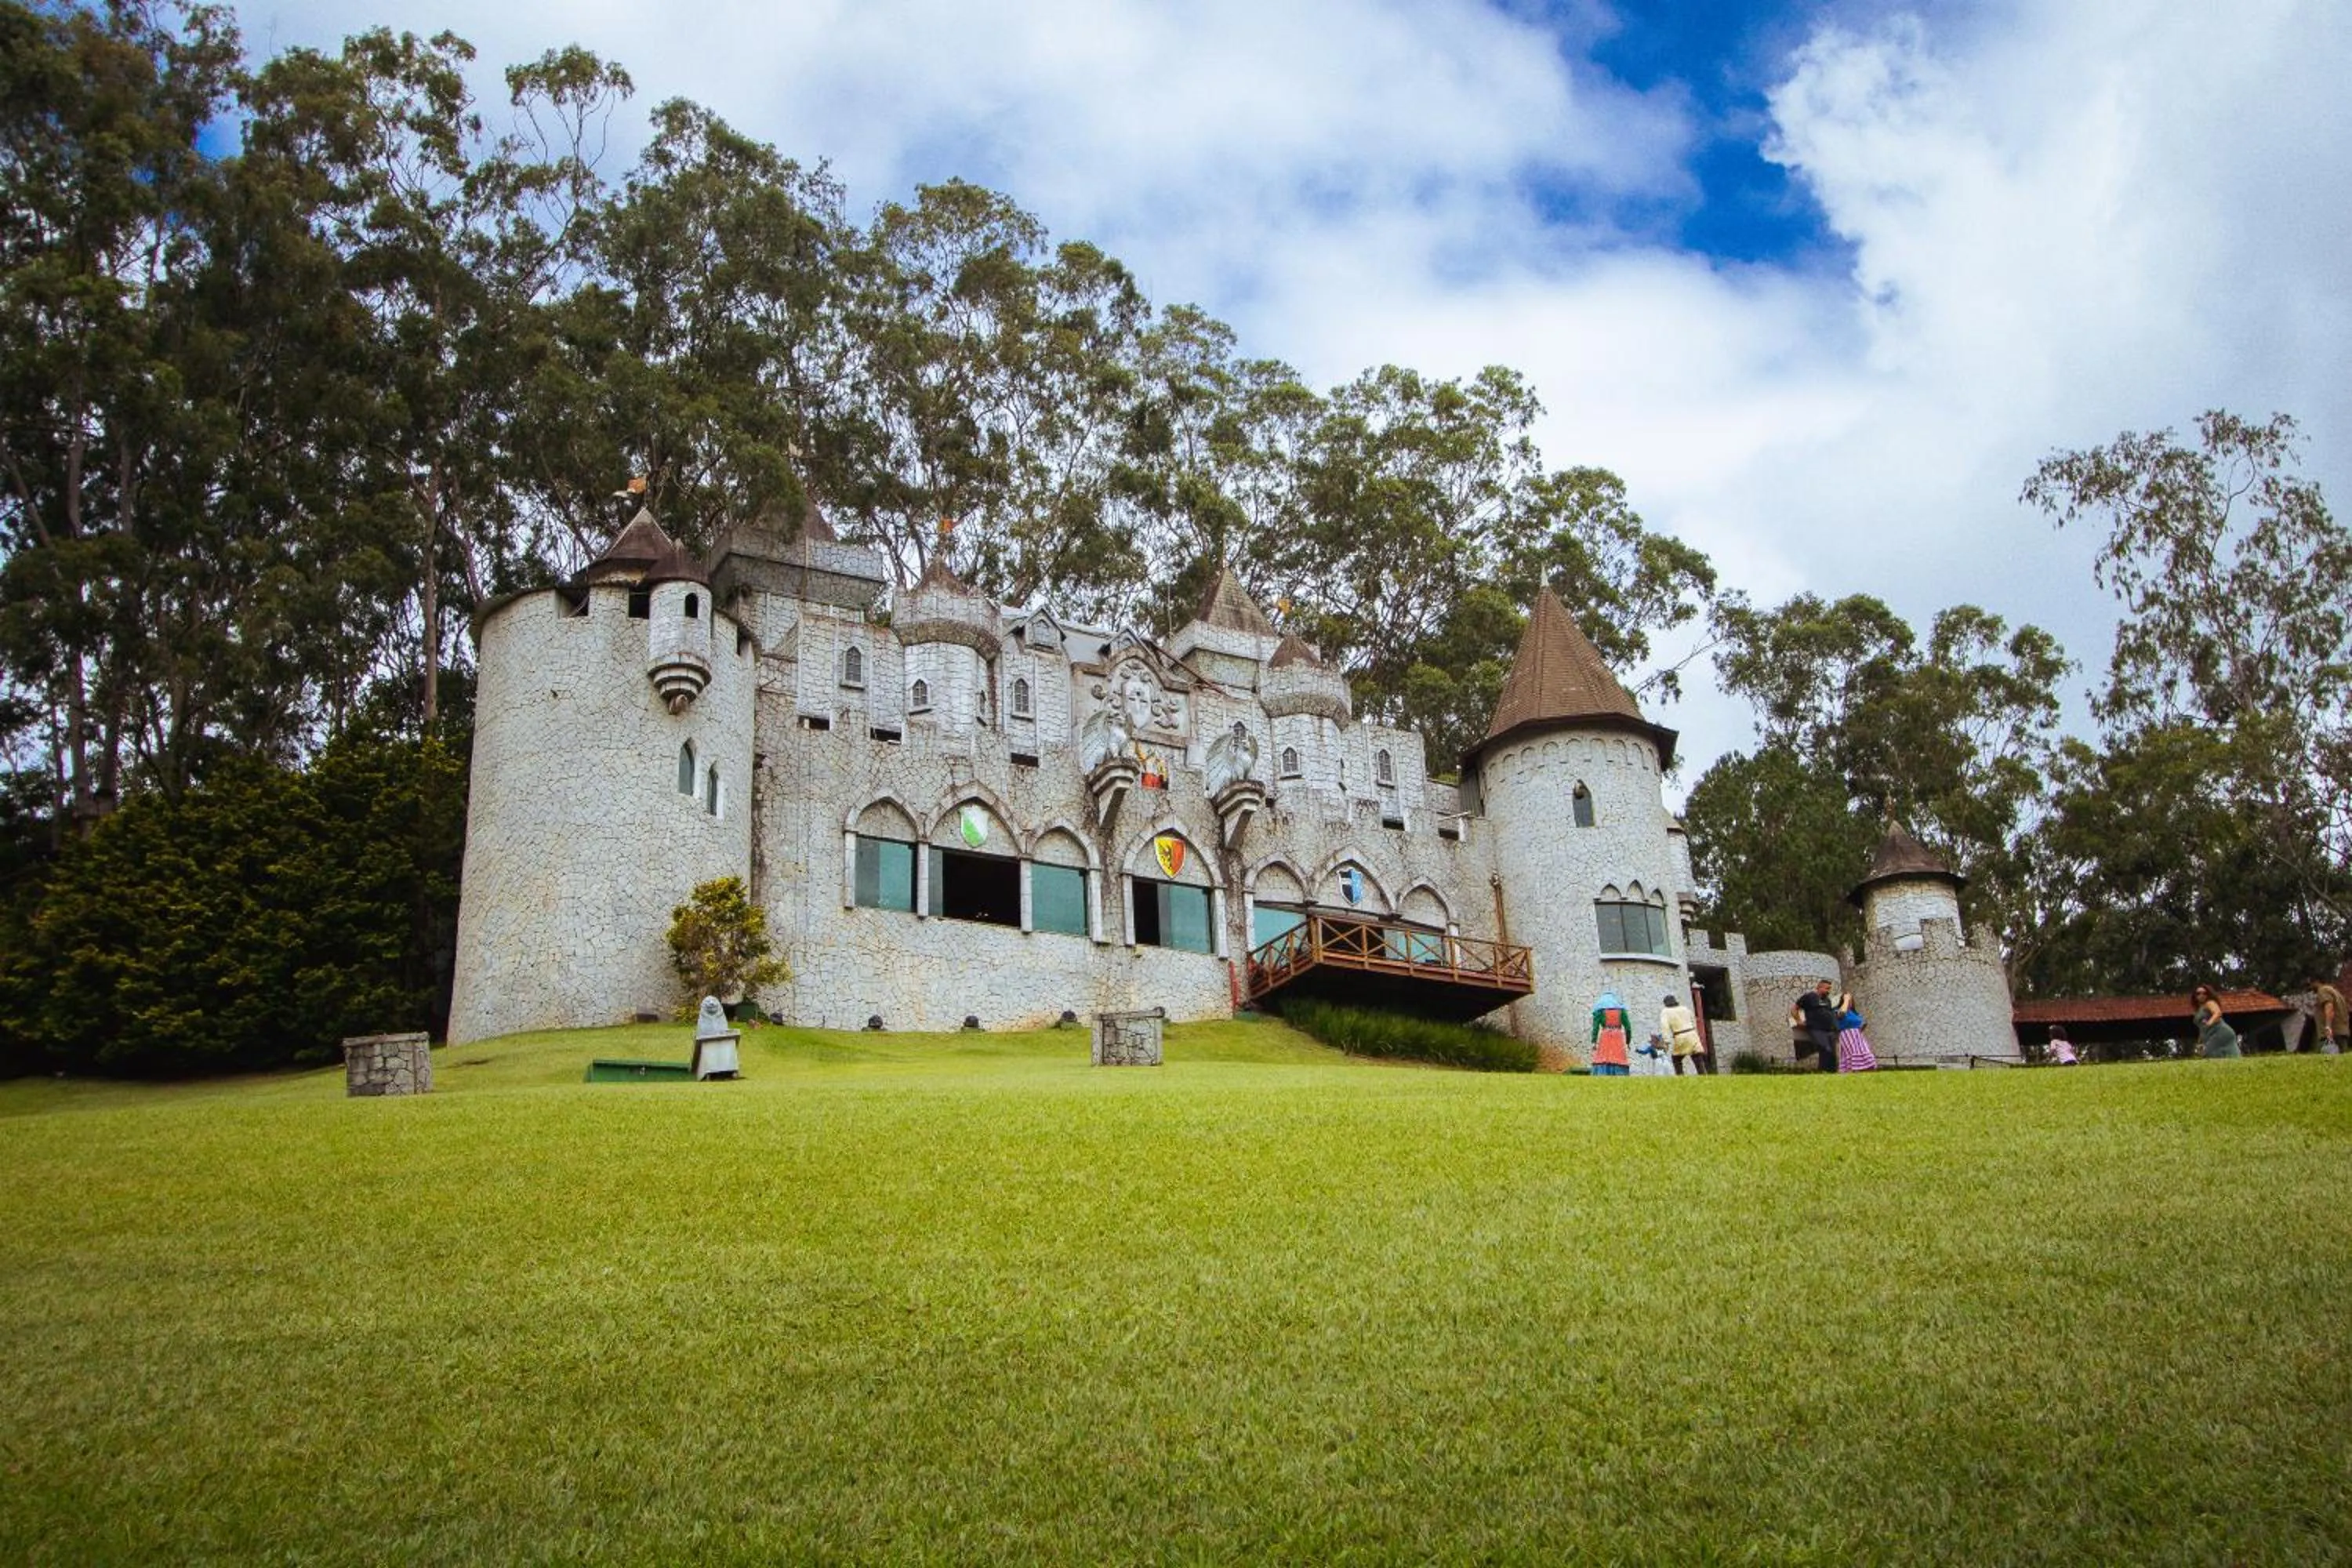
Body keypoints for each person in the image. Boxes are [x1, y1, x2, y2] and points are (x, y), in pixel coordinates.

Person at [1791, 978, 1840, 1073]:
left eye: (1830, 989)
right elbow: (1794, 1008)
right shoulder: (1810, 997)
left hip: (1830, 1030)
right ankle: (1824, 1072)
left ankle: (1832, 1073)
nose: (1829, 991)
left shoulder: (1827, 1000)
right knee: (1825, 1049)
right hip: (1816, 1029)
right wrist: (1798, 1021)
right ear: (1819, 988)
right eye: (1827, 988)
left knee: (1833, 1054)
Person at [1661, 993, 1705, 1076]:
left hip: (1680, 1037)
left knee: (1676, 1059)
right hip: (1692, 1035)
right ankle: (1704, 1078)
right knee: (1697, 1058)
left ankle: (1680, 1077)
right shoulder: (1685, 1009)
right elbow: (1693, 1021)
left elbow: (1665, 1028)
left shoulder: (1665, 1012)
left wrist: (1666, 1042)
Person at [1589, 990, 1632, 1076]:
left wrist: (1594, 1042)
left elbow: (1596, 1028)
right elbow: (1628, 1028)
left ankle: (1602, 1074)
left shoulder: (1599, 1010)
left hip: (1605, 1036)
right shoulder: (1621, 1010)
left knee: (1603, 1056)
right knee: (1618, 1056)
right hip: (1618, 1036)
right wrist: (1628, 1041)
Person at [1834, 991, 1878, 1073]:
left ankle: (1865, 1071)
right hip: (1847, 1035)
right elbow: (1841, 1014)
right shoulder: (1837, 1010)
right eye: (1847, 999)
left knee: (1865, 1053)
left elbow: (1862, 1024)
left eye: (1851, 999)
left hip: (1857, 1036)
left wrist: (1861, 1027)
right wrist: (1846, 1000)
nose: (1849, 1001)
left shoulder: (1854, 1013)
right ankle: (1854, 1071)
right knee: (1854, 1054)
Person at [2191, 985, 2241, 1058]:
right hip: (2210, 1035)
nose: (2201, 995)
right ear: (2195, 996)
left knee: (2208, 1053)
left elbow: (2217, 1013)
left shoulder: (2210, 1003)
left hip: (2221, 1032)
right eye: (2198, 993)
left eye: (2204, 993)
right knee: (2205, 1053)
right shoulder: (2198, 1010)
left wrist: (2209, 1023)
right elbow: (2201, 1029)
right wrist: (2200, 1041)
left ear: (2208, 995)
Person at [2310, 976, 2346, 1055]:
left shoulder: (2323, 990)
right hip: (2341, 1033)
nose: (2310, 987)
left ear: (2317, 982)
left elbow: (2329, 1007)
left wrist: (2328, 1027)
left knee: (2324, 1063)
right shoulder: (2336, 992)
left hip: (2330, 1035)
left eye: (2311, 983)